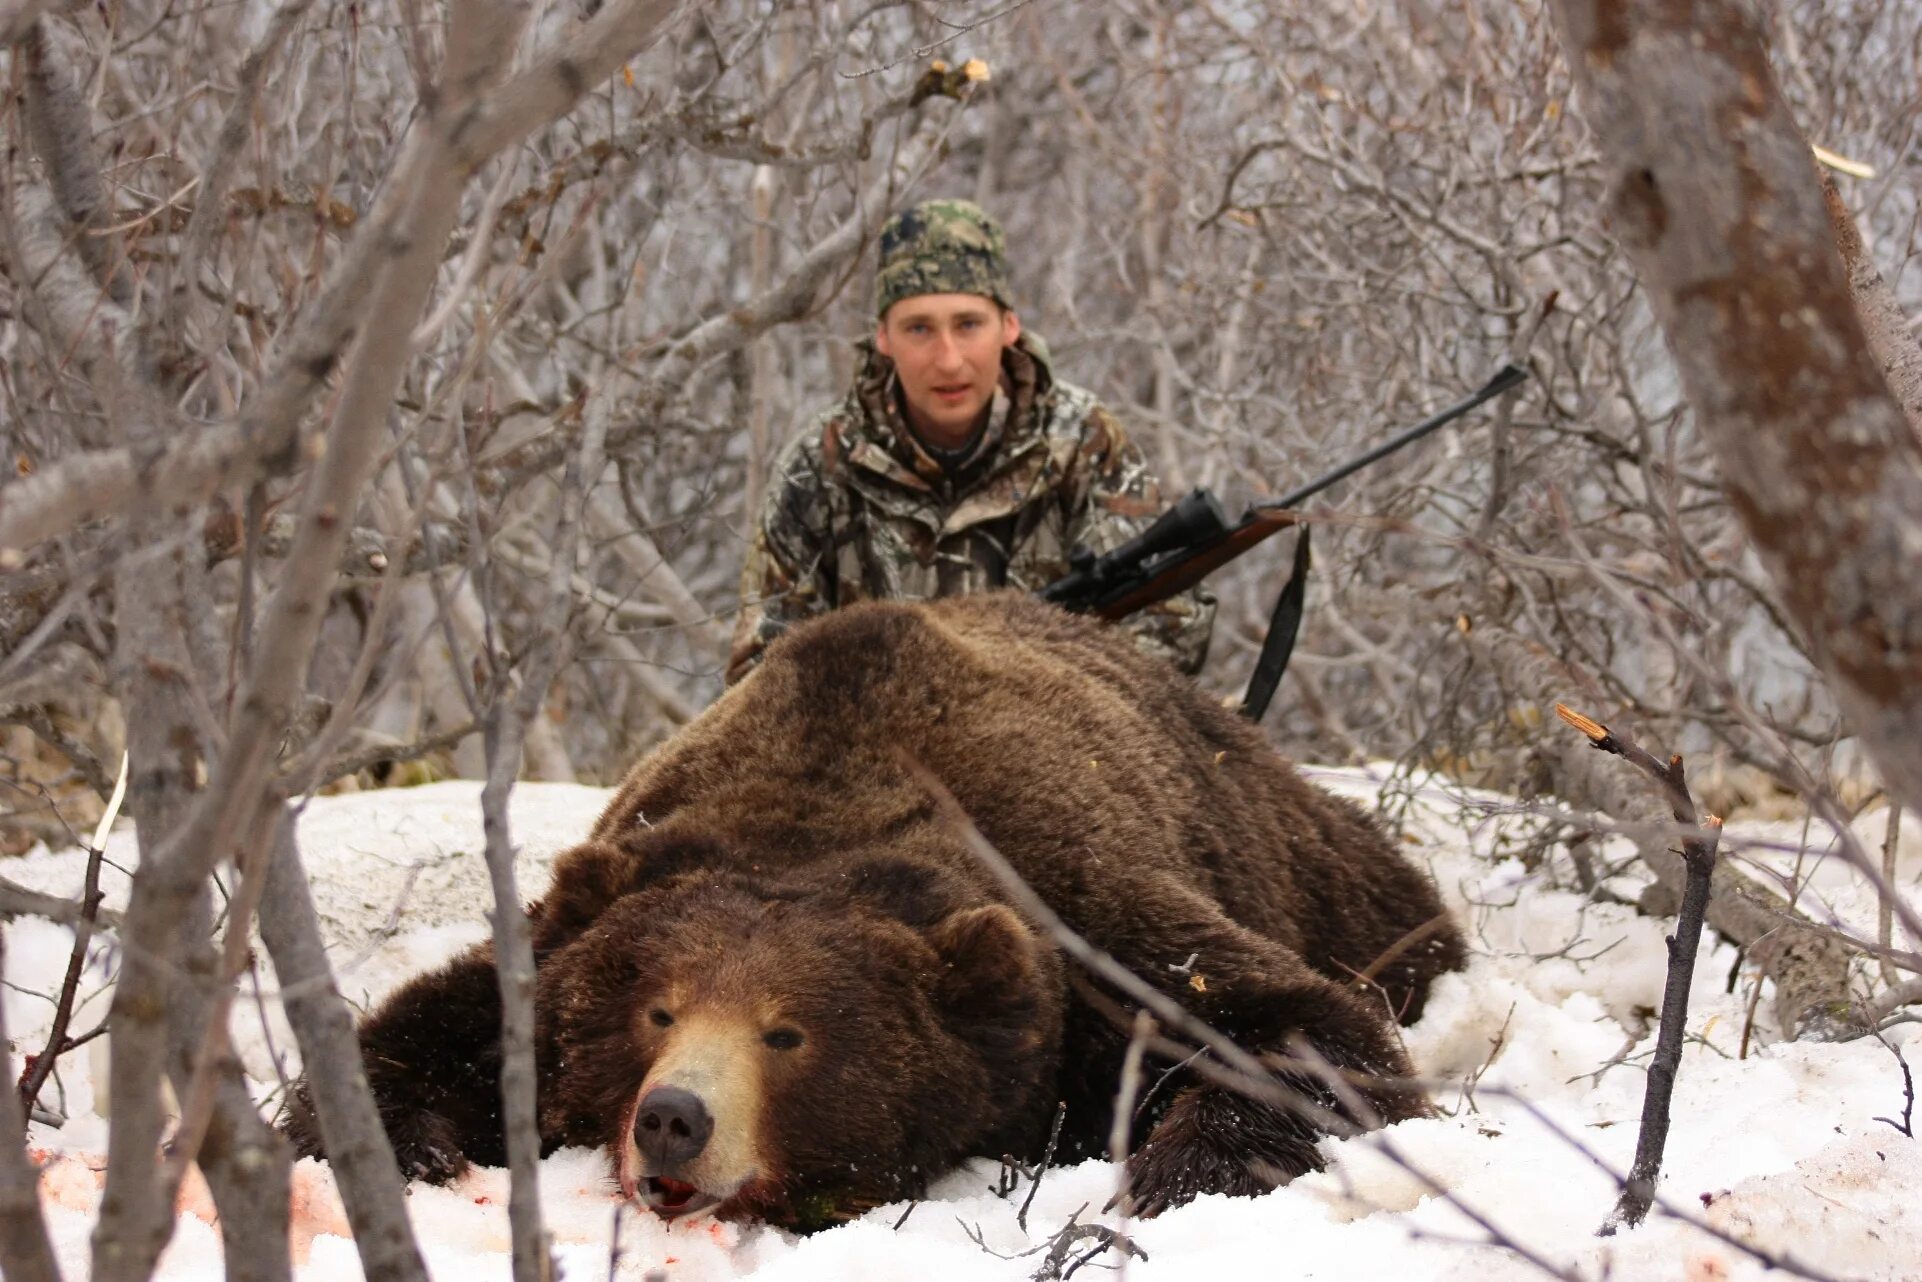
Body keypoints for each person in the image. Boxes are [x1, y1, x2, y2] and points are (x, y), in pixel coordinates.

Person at [727, 198, 1215, 684]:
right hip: (875, 752)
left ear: (1009, 325)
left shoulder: (1082, 441)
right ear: (883, 337)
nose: (949, 359)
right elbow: (761, 674)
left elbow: (1168, 626)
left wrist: (1048, 705)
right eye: (919, 328)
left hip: (1056, 738)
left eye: (968, 325)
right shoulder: (819, 465)